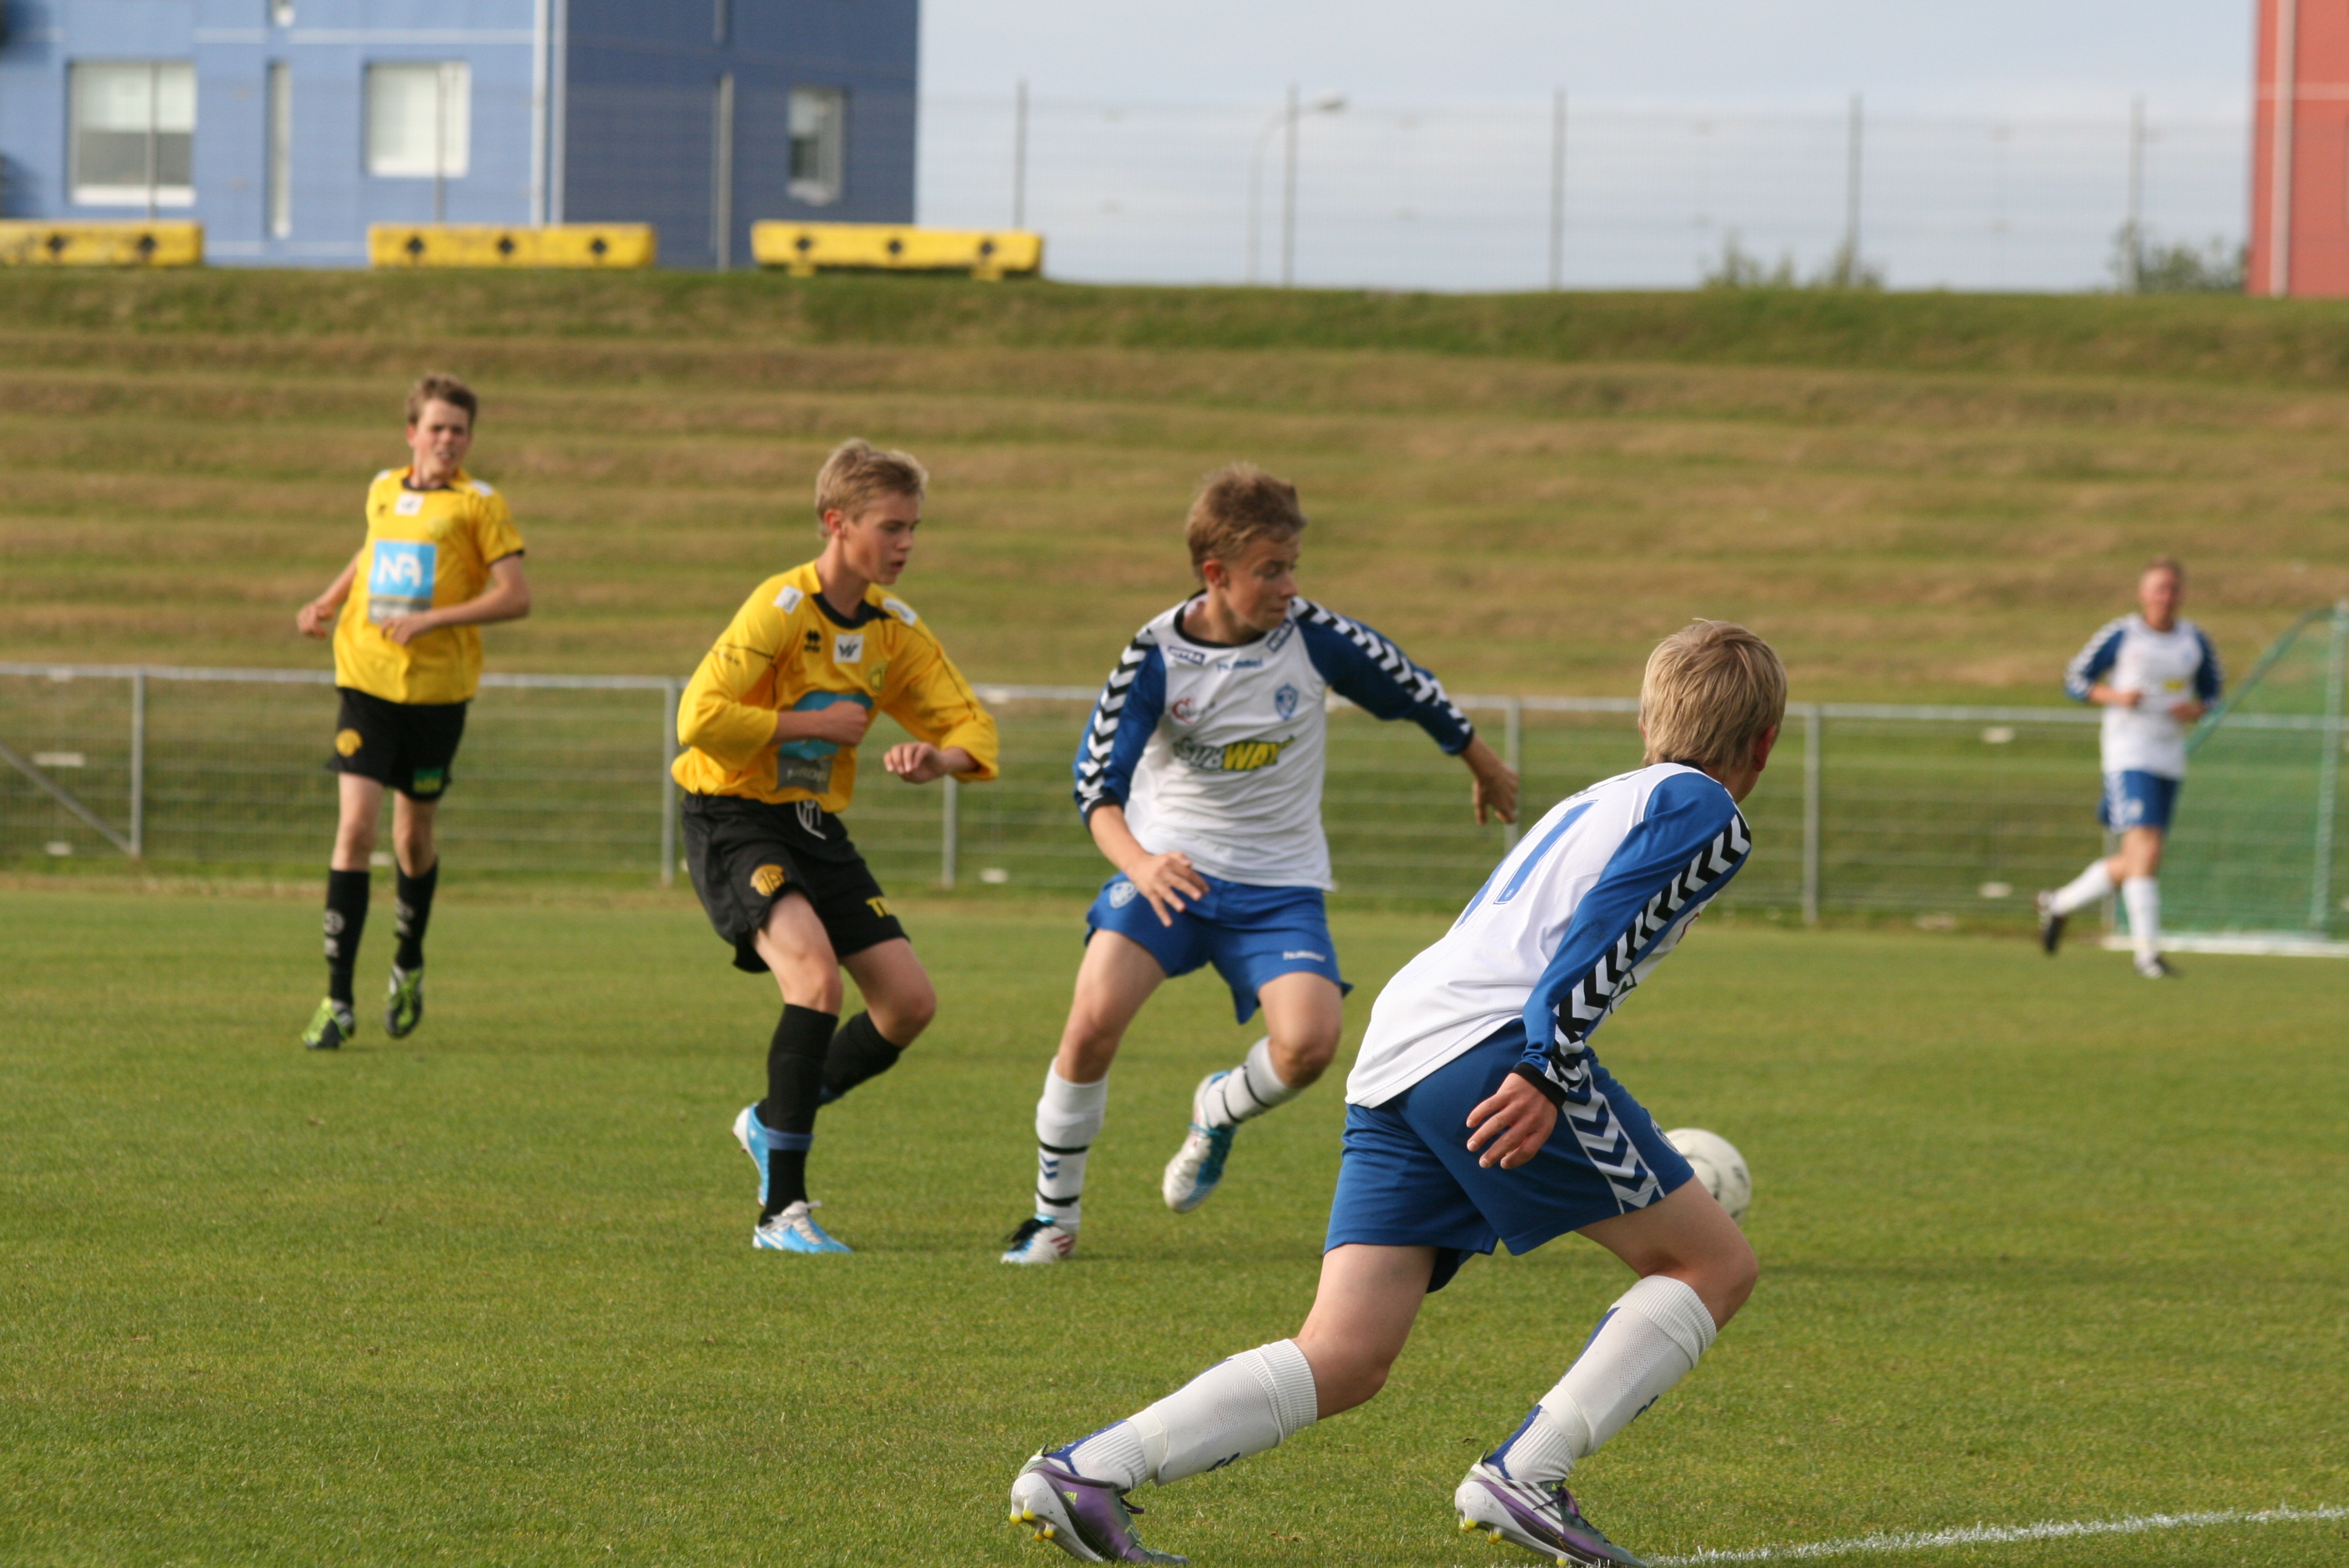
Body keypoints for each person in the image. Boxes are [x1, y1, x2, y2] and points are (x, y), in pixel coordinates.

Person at [1004, 621, 1783, 1567]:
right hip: (1495, 1046)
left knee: (1344, 1353)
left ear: (1647, 719)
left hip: (1401, 1047)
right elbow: (1600, 935)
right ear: (1763, 743)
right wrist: (1544, 1066)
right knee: (1713, 1265)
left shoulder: (1605, 794)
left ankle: (1086, 1472)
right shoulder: (1703, 807)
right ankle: (1528, 1475)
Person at [998, 464, 1518, 1267]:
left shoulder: (1315, 637)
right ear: (1217, 573)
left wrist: (1483, 763)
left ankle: (1218, 1108)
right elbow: (1096, 787)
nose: (1289, 586)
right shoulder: (1153, 655)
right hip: (1169, 874)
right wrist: (1140, 863)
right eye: (1271, 571)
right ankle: (1052, 1221)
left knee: (1310, 1046)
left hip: (1279, 888)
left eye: (1293, 567)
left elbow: (1414, 689)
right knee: (1092, 1021)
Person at [676, 438, 998, 1255]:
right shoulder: (780, 607)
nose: (906, 543)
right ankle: (780, 1214)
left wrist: (939, 759)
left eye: (913, 527)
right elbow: (698, 716)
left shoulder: (893, 630)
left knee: (907, 1005)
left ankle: (771, 1118)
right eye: (891, 526)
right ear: (836, 523)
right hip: (732, 810)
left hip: (812, 824)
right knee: (815, 980)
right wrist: (810, 722)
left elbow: (972, 726)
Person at [294, 374, 531, 1051]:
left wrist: (432, 621)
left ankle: (408, 961)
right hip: (366, 681)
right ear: (412, 434)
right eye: (437, 428)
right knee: (354, 830)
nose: (448, 439)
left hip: (436, 693)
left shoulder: (480, 505)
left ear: (469, 439)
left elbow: (515, 596)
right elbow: (372, 550)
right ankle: (337, 1000)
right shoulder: (382, 489)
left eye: (459, 430)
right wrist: (329, 599)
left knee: (411, 839)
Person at [2037, 557, 2221, 979]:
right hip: (2128, 751)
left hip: (2169, 755)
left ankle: (2059, 903)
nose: (2165, 597)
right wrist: (2117, 697)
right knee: (2147, 849)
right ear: (2143, 593)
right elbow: (2075, 681)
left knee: (2136, 857)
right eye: (2158, 588)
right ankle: (2148, 956)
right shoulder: (2122, 634)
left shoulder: (2194, 641)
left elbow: (2213, 694)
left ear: (2182, 594)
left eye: (2172, 589)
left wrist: (2194, 709)